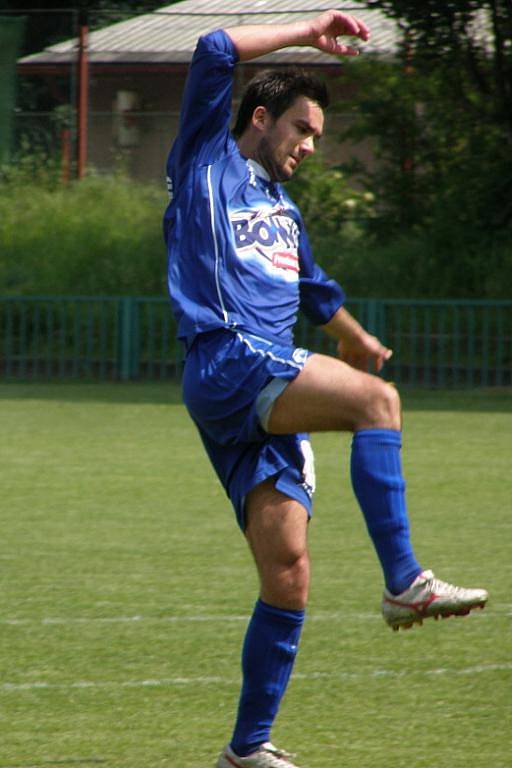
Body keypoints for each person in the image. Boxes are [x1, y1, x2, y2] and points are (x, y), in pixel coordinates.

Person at [163, 10, 488, 768]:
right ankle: (405, 580)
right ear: (261, 117)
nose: (311, 146)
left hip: (260, 390)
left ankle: (246, 750)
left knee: (288, 573)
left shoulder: (284, 211)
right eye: (302, 129)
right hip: (227, 360)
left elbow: (314, 290)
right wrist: (311, 30)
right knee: (380, 405)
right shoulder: (205, 159)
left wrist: (355, 338)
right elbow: (214, 46)